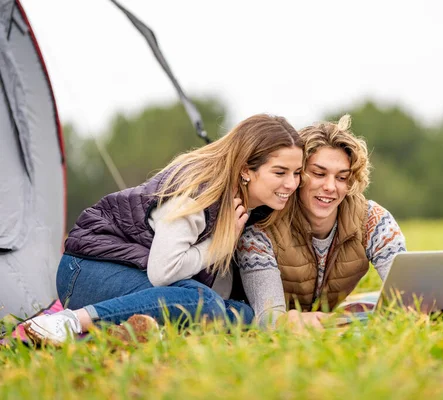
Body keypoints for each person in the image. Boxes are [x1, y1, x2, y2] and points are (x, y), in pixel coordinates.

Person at [24, 114, 303, 345]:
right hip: (88, 271)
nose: (291, 184)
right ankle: (68, 322)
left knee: (239, 312)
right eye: (280, 172)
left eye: (297, 172)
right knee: (200, 301)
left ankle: (128, 332)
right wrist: (218, 244)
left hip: (142, 279)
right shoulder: (198, 191)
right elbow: (163, 271)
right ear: (246, 169)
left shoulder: (252, 206)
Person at [236, 115, 443, 330]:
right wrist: (289, 321)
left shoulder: (373, 221)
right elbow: (268, 317)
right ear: (298, 174)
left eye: (342, 177)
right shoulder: (261, 229)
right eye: (319, 174)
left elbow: (408, 299)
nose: (331, 187)